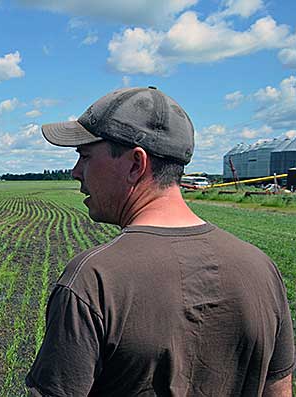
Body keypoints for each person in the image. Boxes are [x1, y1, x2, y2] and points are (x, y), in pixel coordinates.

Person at [26, 87, 294, 396]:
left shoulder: (94, 281)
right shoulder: (261, 269)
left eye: (85, 156)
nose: (75, 172)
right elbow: (279, 389)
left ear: (135, 165)